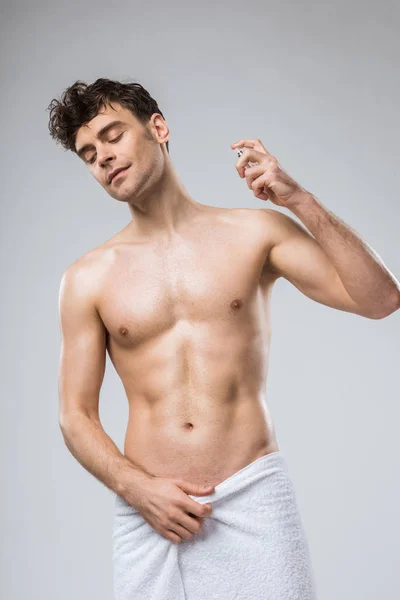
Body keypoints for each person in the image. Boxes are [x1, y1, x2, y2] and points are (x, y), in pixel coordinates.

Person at [48, 78, 400, 600]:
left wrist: (299, 200)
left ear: (158, 128)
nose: (103, 158)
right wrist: (137, 489)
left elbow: (380, 299)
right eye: (89, 154)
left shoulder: (254, 233)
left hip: (253, 497)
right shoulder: (87, 278)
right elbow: (75, 415)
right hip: (153, 515)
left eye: (114, 136)